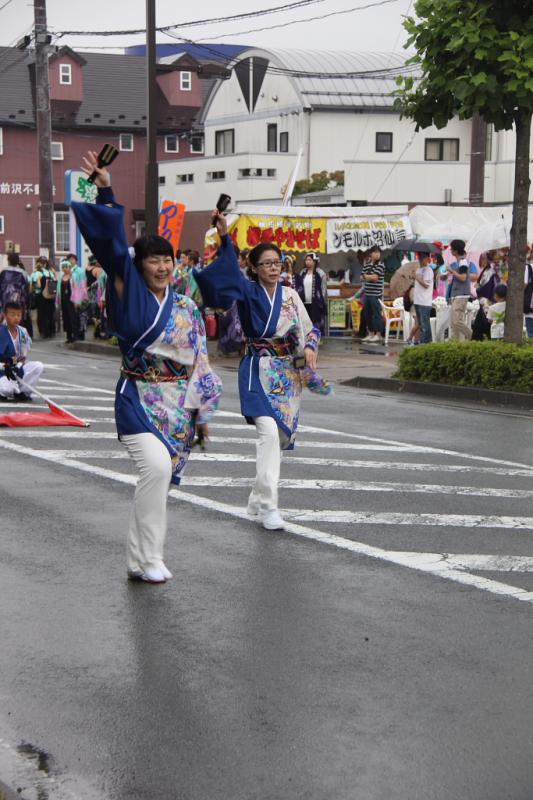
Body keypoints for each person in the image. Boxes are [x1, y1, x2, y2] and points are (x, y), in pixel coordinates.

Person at [71, 150, 222, 584]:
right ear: (139, 267)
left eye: (168, 260)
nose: (161, 267)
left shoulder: (188, 307)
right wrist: (105, 188)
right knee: (155, 469)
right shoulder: (126, 287)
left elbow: (201, 361)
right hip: (136, 397)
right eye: (153, 260)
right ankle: (151, 556)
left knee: (157, 477)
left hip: (176, 406)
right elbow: (113, 244)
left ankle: (139, 560)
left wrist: (203, 414)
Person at [194, 213, 332, 531]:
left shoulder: (291, 295)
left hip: (287, 373)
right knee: (268, 432)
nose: (273, 267)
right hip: (257, 368)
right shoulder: (247, 291)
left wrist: (310, 347)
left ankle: (257, 496)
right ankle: (270, 505)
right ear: (254, 268)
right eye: (266, 263)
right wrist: (225, 235)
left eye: (277, 262)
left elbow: (311, 328)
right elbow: (228, 267)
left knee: (278, 438)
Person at [0, 301, 43, 402]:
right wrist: (5, 367)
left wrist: (17, 366)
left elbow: (23, 355)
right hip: (2, 371)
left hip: (17, 369)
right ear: (5, 315)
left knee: (38, 366)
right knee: (7, 390)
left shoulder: (23, 332)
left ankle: (23, 392)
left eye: (19, 315)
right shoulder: (1, 332)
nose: (16, 318)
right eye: (12, 315)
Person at [294, 252, 328, 335]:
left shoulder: (320, 273)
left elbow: (323, 288)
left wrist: (321, 301)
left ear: (315, 261)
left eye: (309, 260)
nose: (307, 261)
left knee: (316, 320)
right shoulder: (302, 272)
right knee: (305, 320)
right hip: (304, 301)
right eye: (306, 260)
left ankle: (316, 337)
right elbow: (299, 286)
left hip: (316, 302)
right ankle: (307, 337)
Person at [447, 240, 473, 341]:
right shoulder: (460, 262)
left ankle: (473, 336)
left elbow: (463, 277)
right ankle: (456, 343)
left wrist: (452, 271)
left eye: (451, 248)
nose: (450, 250)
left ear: (456, 251)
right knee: (454, 323)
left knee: (456, 321)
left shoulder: (463, 261)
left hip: (461, 295)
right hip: (457, 295)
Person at [360, 245, 385, 342]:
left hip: (376, 294)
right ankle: (370, 333)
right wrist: (369, 277)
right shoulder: (367, 264)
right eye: (375, 252)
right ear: (371, 254)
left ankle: (378, 334)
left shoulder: (381, 264)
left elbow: (375, 278)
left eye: (378, 252)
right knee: (367, 314)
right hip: (367, 294)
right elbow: (361, 277)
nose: (377, 254)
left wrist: (367, 276)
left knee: (376, 314)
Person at [31, 257, 57, 339]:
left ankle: (44, 332)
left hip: (41, 296)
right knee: (50, 314)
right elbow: (55, 281)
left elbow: (36, 285)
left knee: (42, 314)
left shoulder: (36, 273)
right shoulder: (50, 272)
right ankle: (52, 331)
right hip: (51, 295)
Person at [413, 253, 434, 344]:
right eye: (420, 257)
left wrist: (416, 277)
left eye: (423, 257)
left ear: (427, 259)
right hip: (417, 300)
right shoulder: (418, 270)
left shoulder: (428, 270)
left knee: (425, 324)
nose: (421, 259)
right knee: (421, 324)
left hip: (425, 301)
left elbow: (426, 285)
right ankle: (422, 340)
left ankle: (426, 341)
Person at [59, 260, 77, 344]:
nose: (65, 269)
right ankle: (68, 335)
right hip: (63, 300)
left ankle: (74, 335)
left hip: (71, 300)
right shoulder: (61, 277)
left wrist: (76, 300)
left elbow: (75, 289)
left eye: (66, 267)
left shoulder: (73, 277)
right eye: (63, 267)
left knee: (72, 317)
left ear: (69, 267)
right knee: (65, 317)